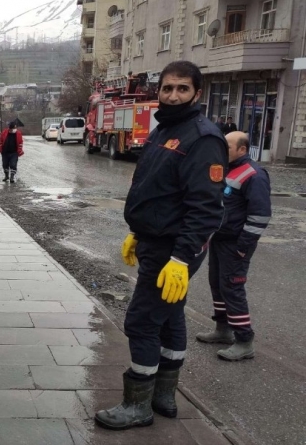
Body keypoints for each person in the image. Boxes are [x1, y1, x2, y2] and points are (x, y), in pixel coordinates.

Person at [95, 61, 228, 431]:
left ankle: (137, 405)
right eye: (168, 88)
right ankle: (164, 395)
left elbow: (206, 209)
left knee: (140, 321)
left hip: (174, 250)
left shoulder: (202, 138)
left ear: (196, 93)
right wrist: (138, 231)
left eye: (182, 89)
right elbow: (156, 189)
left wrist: (181, 259)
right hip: (156, 242)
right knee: (169, 317)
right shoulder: (163, 130)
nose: (173, 95)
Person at [196, 131, 271, 361]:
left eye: (227, 146)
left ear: (242, 149)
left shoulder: (255, 175)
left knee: (232, 288)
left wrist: (243, 246)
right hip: (219, 239)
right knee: (218, 285)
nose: (222, 149)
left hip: (235, 244)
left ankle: (244, 340)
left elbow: (260, 216)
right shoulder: (225, 168)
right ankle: (223, 330)